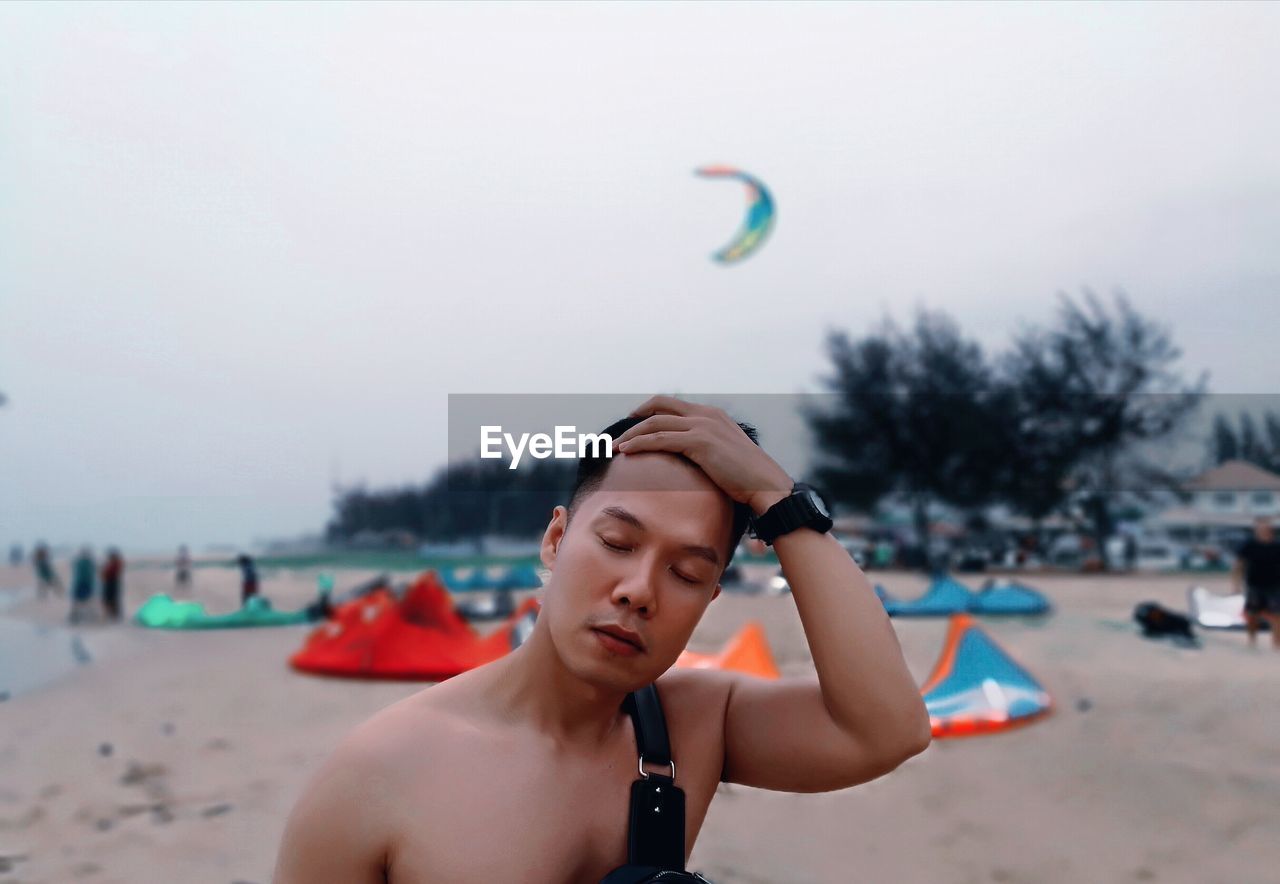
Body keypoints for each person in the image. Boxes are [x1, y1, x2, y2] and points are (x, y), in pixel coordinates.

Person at [274, 396, 931, 883]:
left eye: (687, 573)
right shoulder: (381, 772)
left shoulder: (694, 727)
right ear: (556, 539)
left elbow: (887, 729)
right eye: (617, 543)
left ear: (710, 598)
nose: (639, 590)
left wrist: (779, 500)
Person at [1233, 516, 1280, 649]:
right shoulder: (1249, 545)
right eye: (1259, 527)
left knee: (1277, 616)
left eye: (1265, 526)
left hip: (1275, 585)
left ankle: (1277, 644)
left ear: (1270, 528)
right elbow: (1239, 565)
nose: (1262, 529)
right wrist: (1236, 585)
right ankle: (1252, 641)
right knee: (1253, 615)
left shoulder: (1277, 545)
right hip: (1254, 584)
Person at [70, 546, 97, 624]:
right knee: (84, 601)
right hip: (84, 584)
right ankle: (77, 616)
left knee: (79, 601)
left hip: (82, 584)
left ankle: (76, 616)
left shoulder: (81, 562)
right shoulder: (88, 562)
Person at [100, 548, 125, 621]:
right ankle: (112, 615)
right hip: (112, 583)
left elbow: (106, 574)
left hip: (111, 583)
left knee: (111, 600)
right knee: (111, 600)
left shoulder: (115, 564)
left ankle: (113, 615)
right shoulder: (114, 564)